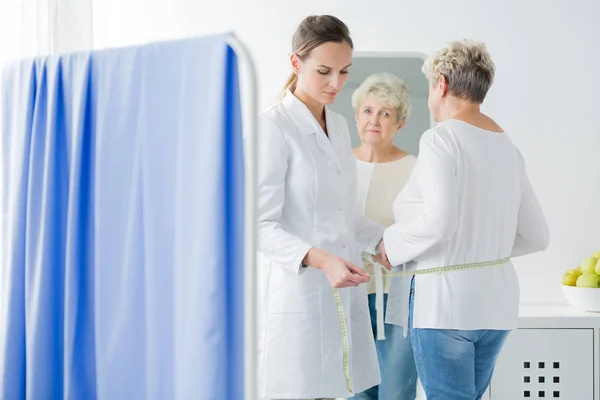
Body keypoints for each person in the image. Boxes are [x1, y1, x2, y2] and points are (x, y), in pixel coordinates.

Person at [380, 39, 550, 400]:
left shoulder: (441, 139)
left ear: (440, 83)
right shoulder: (509, 149)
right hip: (497, 309)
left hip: (446, 308)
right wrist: (483, 246)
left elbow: (439, 222)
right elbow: (538, 237)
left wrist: (389, 246)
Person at [256, 15, 391, 400]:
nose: (337, 84)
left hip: (340, 296)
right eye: (324, 71)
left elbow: (339, 214)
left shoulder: (340, 124)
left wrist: (382, 243)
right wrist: (320, 259)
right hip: (298, 295)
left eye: (345, 71)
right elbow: (258, 225)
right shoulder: (273, 127)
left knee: (333, 389)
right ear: (296, 63)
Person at [350, 73, 418, 400]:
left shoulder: (415, 169)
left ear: (400, 123)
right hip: (350, 293)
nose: (374, 120)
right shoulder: (338, 164)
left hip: (398, 294)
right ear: (356, 116)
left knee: (396, 389)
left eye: (385, 113)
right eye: (368, 110)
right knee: (355, 390)